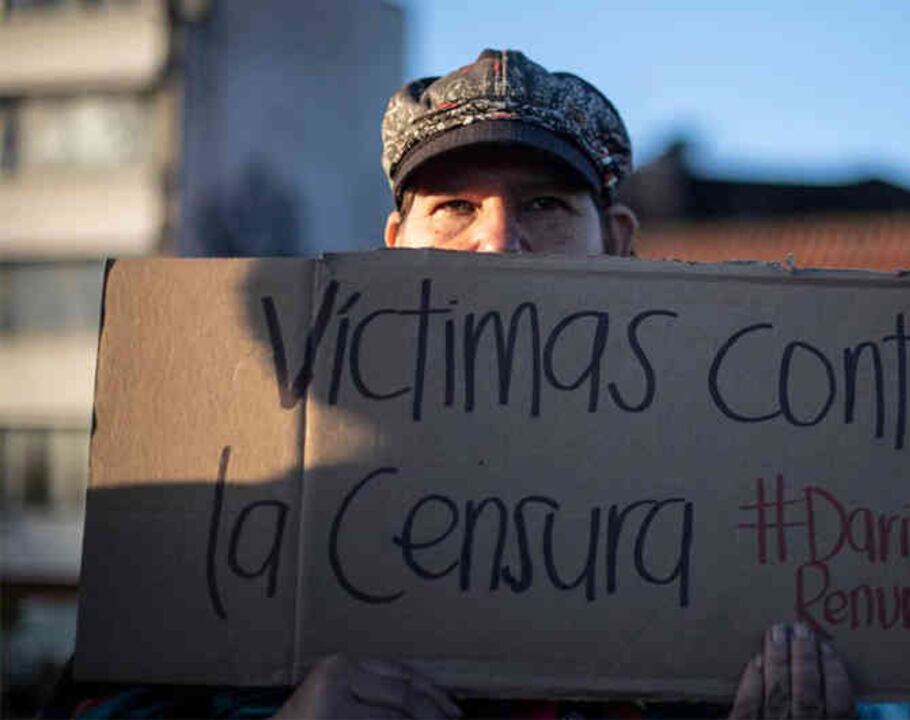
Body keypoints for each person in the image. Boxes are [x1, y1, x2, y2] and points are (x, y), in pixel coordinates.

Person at [278, 49, 858, 719]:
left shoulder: (735, 491)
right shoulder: (289, 488)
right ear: (393, 247)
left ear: (616, 244)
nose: (498, 242)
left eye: (545, 203)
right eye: (456, 206)